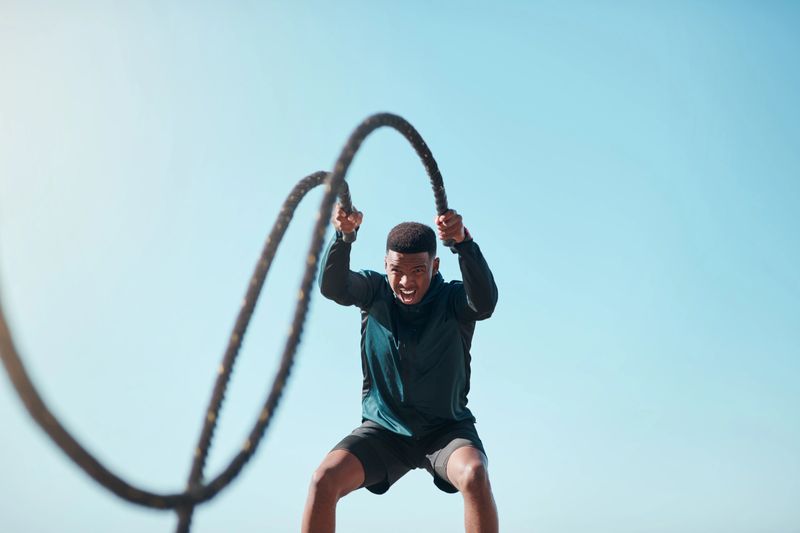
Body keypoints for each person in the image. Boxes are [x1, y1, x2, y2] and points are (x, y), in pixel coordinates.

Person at [301, 204, 499, 533]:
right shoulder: (374, 291)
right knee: (323, 479)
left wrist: (463, 243)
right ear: (385, 265)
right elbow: (333, 288)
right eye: (397, 270)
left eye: (418, 271)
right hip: (384, 431)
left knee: (475, 474)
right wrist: (344, 237)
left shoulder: (452, 300)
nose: (406, 281)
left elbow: (485, 302)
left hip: (445, 431)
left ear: (434, 266)